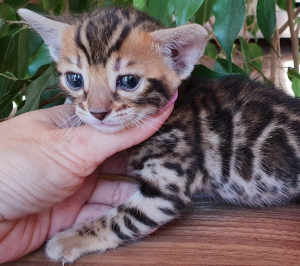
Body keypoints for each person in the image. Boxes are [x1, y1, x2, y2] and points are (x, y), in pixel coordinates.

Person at [0, 103, 173, 263]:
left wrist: (93, 234)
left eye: (129, 81)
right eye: (76, 80)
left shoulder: (179, 125)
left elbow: (162, 197)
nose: (97, 107)